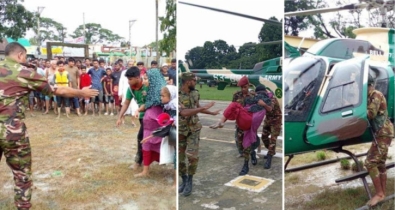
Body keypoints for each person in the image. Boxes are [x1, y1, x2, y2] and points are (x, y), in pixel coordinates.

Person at [0, 42, 98, 210]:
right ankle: (22, 206)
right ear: (20, 55)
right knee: (21, 173)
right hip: (11, 130)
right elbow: (56, 90)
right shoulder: (24, 72)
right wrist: (82, 93)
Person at [178, 72, 220, 196]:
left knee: (192, 156)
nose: (195, 82)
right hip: (181, 129)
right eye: (194, 80)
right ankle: (184, 179)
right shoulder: (177, 95)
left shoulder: (196, 93)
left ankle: (190, 180)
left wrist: (211, 113)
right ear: (187, 81)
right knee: (180, 158)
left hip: (194, 129)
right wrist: (202, 109)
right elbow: (184, 112)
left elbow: (198, 107)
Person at [365, 75, 394, 207]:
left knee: (370, 162)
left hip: (383, 132)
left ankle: (379, 194)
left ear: (367, 85)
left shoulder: (375, 95)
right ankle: (382, 193)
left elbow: (371, 113)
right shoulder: (371, 96)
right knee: (380, 162)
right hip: (384, 132)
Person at [134, 68, 166, 177]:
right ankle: (145, 171)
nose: (144, 81)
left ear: (154, 80)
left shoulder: (162, 93)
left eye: (146, 79)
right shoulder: (150, 92)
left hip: (158, 126)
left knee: (161, 146)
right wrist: (138, 110)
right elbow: (147, 105)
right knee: (146, 145)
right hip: (148, 126)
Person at [261, 93, 282, 169]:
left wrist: (263, 104)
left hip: (276, 121)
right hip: (268, 120)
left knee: (273, 139)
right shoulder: (260, 97)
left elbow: (270, 108)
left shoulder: (272, 99)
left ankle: (269, 158)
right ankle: (271, 151)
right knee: (264, 137)